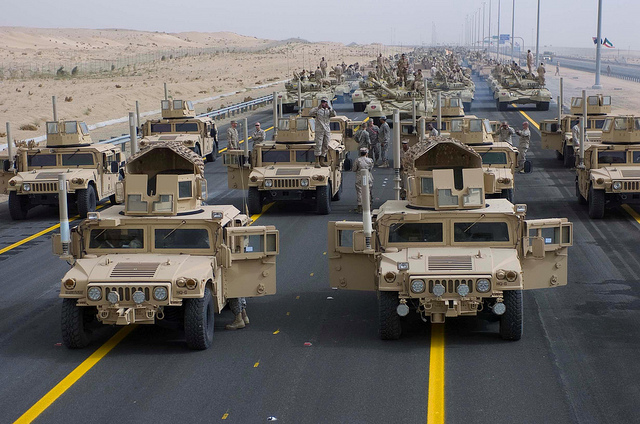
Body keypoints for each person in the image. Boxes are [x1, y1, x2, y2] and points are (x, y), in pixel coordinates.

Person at [309, 98, 336, 168]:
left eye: (325, 102)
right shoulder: (317, 110)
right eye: (323, 102)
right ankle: (317, 162)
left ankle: (322, 161)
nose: (324, 103)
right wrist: (318, 108)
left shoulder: (329, 110)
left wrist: (329, 108)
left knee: (326, 145)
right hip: (319, 130)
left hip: (326, 130)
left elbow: (334, 114)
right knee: (319, 145)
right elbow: (310, 113)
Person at [353, 147, 374, 214]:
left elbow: (354, 169)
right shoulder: (370, 160)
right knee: (368, 190)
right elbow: (371, 168)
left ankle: (360, 206)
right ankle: (368, 205)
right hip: (368, 176)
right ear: (366, 153)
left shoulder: (357, 160)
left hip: (359, 176)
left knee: (359, 191)